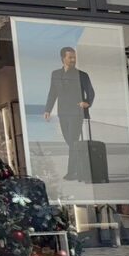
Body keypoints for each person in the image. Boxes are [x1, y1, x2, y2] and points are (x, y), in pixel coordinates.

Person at [43, 46, 95, 179]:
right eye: (70, 57)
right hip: (63, 113)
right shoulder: (55, 74)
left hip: (77, 112)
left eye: (74, 57)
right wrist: (47, 110)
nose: (73, 60)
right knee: (71, 142)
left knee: (72, 141)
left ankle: (72, 172)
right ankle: (82, 167)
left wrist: (87, 103)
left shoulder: (82, 75)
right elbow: (52, 93)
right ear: (63, 58)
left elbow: (90, 92)